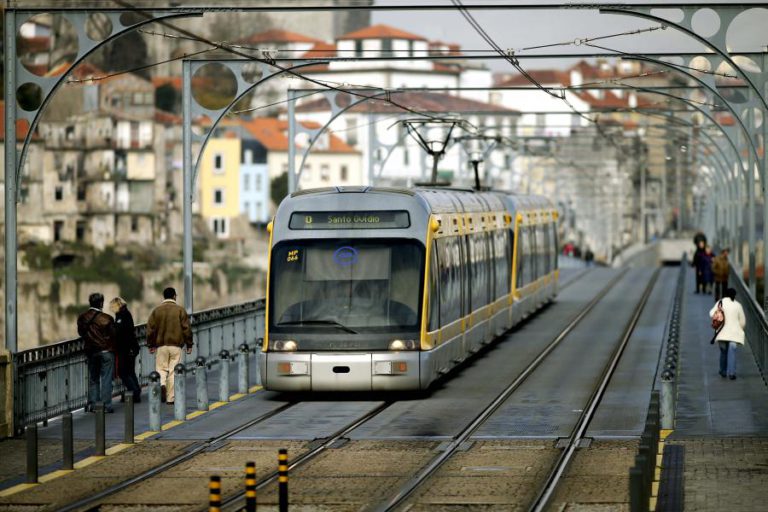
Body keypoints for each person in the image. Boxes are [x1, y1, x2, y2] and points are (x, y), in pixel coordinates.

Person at [147, 287, 193, 405]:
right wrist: (189, 344)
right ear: (174, 296)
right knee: (173, 372)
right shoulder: (180, 310)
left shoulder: (156, 311)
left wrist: (151, 344)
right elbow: (186, 329)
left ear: (163, 296)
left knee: (161, 369)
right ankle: (170, 398)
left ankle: (162, 385)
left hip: (161, 345)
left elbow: (150, 329)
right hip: (176, 346)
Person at [77, 293, 116, 413]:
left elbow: (80, 333)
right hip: (106, 351)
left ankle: (93, 405)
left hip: (91, 351)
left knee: (93, 379)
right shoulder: (107, 318)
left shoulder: (83, 317)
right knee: (106, 379)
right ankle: (105, 406)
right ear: (101, 303)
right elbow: (114, 335)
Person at [110, 297, 141, 404]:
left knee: (123, 372)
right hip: (130, 347)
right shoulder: (125, 313)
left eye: (112, 307)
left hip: (126, 348)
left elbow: (120, 332)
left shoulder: (122, 316)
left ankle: (134, 393)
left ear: (117, 305)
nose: (111, 309)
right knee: (130, 371)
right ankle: (136, 391)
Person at [709, 287, 746, 380]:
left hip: (721, 333)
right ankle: (732, 373)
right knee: (732, 351)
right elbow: (743, 322)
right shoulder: (738, 305)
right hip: (734, 334)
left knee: (723, 352)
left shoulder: (720, 303)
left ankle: (723, 371)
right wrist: (739, 328)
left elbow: (711, 313)